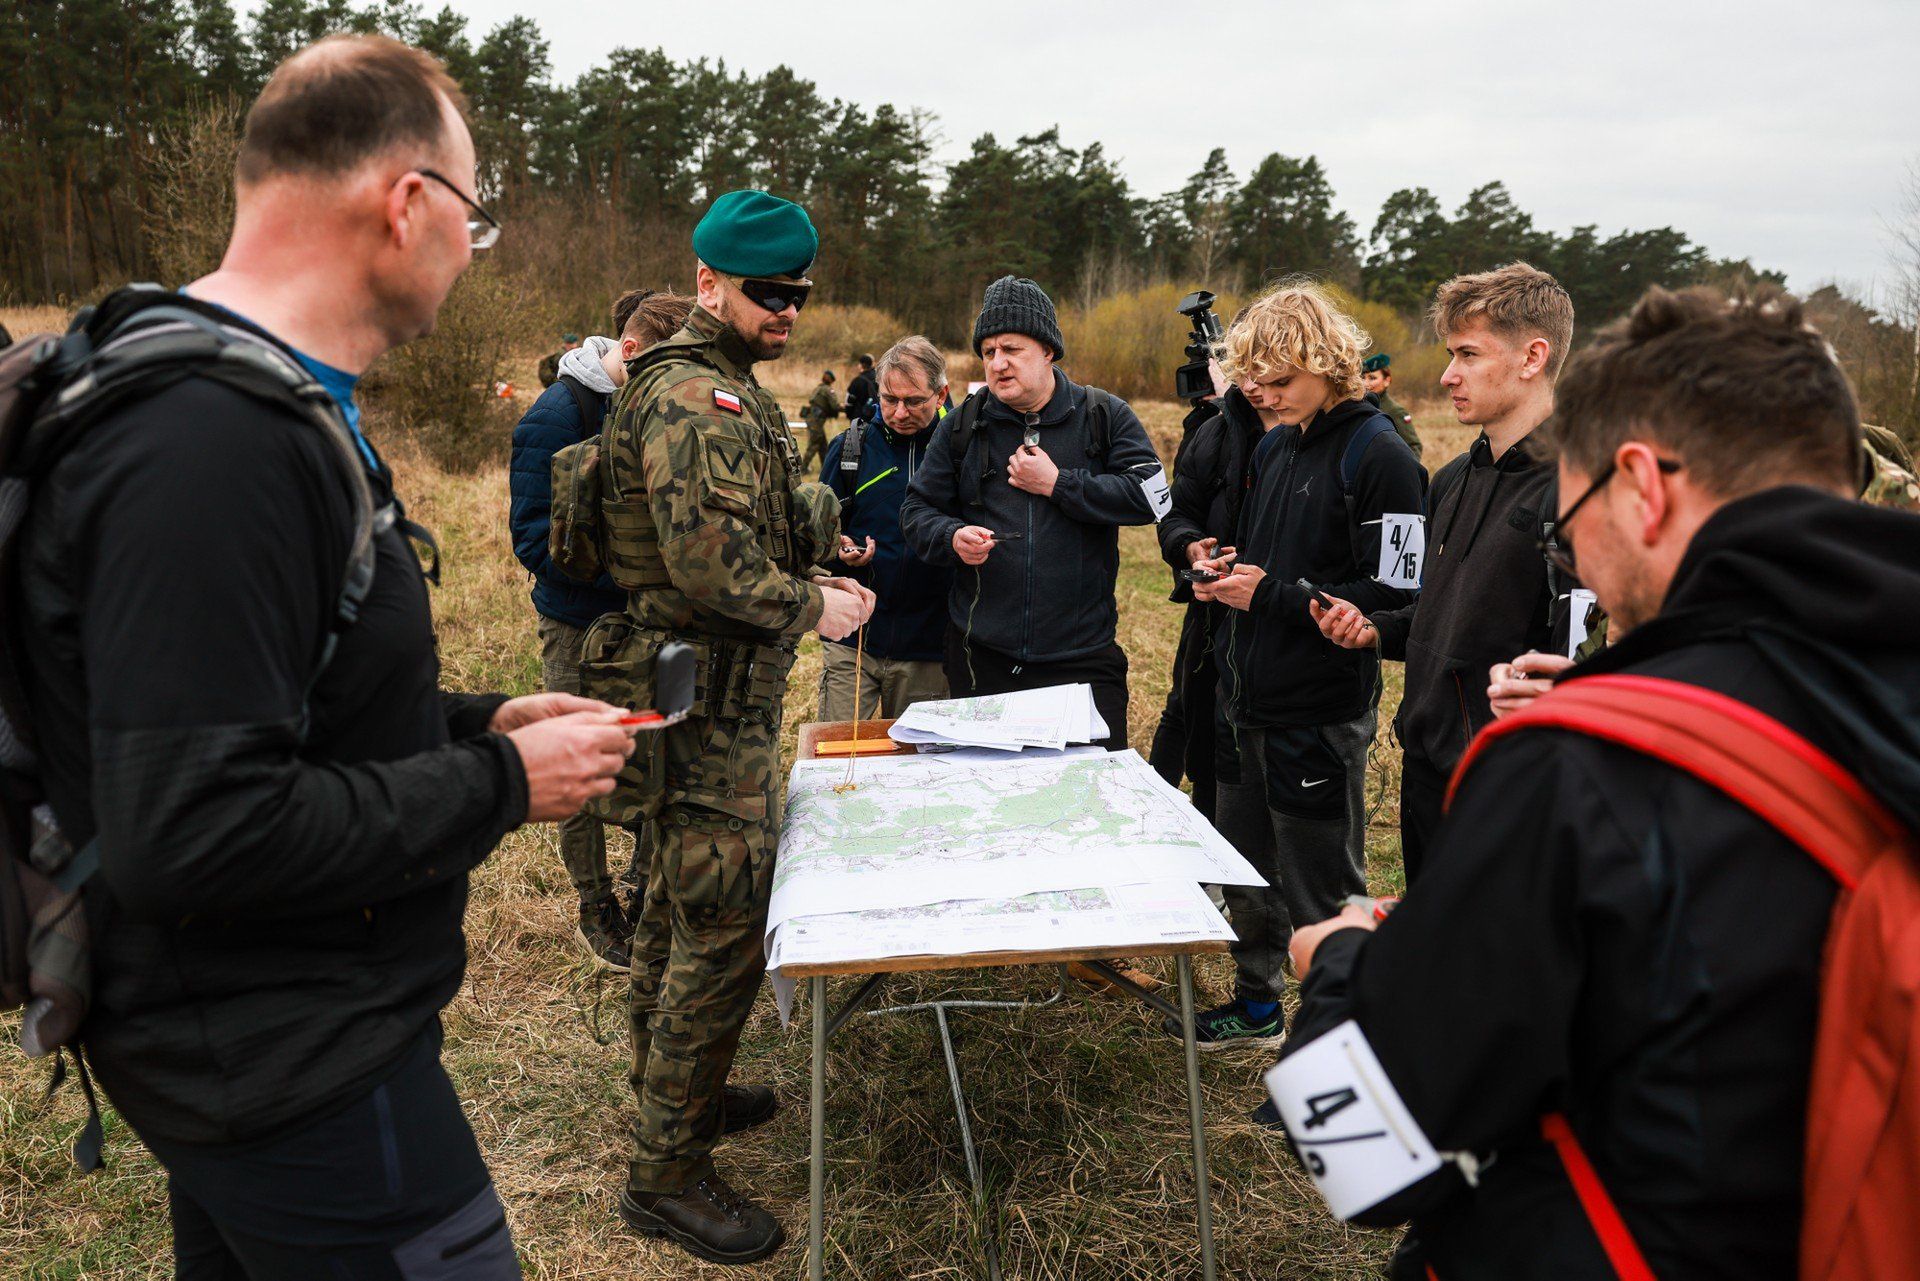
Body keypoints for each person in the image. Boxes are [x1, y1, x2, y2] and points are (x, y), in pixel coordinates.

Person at [13, 35, 645, 1278]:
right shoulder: (211, 440)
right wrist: (508, 788)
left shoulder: (253, 398)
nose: (474, 249)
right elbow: (193, 825)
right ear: (408, 205)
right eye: (477, 216)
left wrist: (479, 724)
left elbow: (274, 702)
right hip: (288, 1063)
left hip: (259, 1041)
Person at [1275, 284, 1920, 1280]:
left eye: (1570, 516)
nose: (1573, 549)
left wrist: (1341, 965)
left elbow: (1362, 1162)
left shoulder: (1580, 773)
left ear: (1643, 488)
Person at [586, 188, 873, 1265]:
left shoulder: (726, 390)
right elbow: (709, 567)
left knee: (674, 904)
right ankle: (665, 1177)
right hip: (706, 709)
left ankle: (674, 1103)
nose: (788, 310)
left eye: (800, 293)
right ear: (707, 283)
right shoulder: (693, 399)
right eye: (769, 293)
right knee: (719, 930)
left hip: (705, 699)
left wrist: (813, 563)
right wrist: (819, 603)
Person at [1179, 283, 1425, 1047]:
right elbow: (1262, 557)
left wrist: (1276, 598)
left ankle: (1334, 1051)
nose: (1266, 397)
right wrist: (1220, 568)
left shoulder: (1381, 454)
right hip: (1242, 697)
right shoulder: (1277, 442)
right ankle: (1258, 1005)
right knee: (1244, 870)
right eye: (1255, 384)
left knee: (1321, 890)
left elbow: (1397, 593)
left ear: (1328, 364)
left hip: (1317, 712)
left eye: (1280, 382)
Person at [1313, 264, 1576, 882]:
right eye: (1449, 353)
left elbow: (1582, 657)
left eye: (1468, 354)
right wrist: (1376, 628)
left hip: (1509, 783)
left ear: (1532, 356)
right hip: (1426, 762)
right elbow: (1444, 613)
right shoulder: (1453, 479)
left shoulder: (1579, 491)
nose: (1447, 375)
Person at [900, 275, 1164, 752]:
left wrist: (1059, 484)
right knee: (988, 805)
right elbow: (917, 508)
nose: (997, 364)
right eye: (987, 352)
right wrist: (951, 536)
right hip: (982, 657)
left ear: (1048, 351)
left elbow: (1152, 499)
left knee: (1092, 806)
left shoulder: (1104, 414)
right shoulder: (963, 424)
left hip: (1081, 660)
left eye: (1011, 349)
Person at [510, 288, 693, 969]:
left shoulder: (658, 406)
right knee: (580, 761)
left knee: (663, 747)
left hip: (656, 623)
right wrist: (628, 573)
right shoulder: (554, 417)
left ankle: (643, 886)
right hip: (579, 627)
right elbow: (532, 539)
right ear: (632, 350)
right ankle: (596, 905)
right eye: (667, 369)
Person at [818, 335, 955, 721]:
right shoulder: (850, 449)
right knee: (837, 764)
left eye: (913, 401)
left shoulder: (962, 452)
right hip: (853, 639)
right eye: (888, 399)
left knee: (918, 773)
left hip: (928, 645)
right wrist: (839, 549)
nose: (898, 412)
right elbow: (817, 536)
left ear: (941, 394)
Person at [1153, 360, 1261, 823]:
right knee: (1191, 720)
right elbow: (1175, 514)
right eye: (1245, 370)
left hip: (1283, 641)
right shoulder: (1214, 433)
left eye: (1270, 371)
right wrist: (1189, 547)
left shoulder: (1350, 445)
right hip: (1209, 620)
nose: (1256, 386)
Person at [1361, 351, 1422, 460]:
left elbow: (1413, 447)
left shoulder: (1396, 411)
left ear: (1386, 381)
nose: (1365, 383)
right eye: (1363, 377)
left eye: (1372, 378)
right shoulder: (1359, 407)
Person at [797, 367, 838, 472]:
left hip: (811, 419)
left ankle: (826, 467)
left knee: (823, 445)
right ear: (831, 380)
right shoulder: (828, 390)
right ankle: (803, 468)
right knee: (814, 444)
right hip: (817, 421)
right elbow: (835, 406)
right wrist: (845, 408)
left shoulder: (818, 388)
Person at [843, 351, 877, 423]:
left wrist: (849, 414)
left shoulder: (858, 381)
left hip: (860, 419)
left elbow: (849, 401)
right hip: (877, 417)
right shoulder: (879, 378)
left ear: (861, 365)